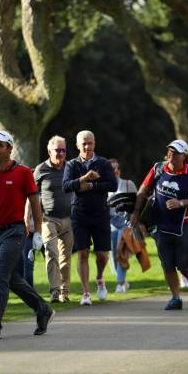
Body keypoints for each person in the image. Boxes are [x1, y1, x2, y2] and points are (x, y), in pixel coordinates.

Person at [0, 131, 54, 339]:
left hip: (16, 232)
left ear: (9, 149)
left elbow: (35, 203)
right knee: (12, 279)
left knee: (1, 277)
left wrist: (37, 232)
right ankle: (42, 309)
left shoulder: (23, 173)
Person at [130, 140, 188, 310]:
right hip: (160, 225)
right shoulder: (158, 168)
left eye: (176, 152)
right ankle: (175, 298)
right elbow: (143, 189)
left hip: (183, 226)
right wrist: (135, 212)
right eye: (170, 151)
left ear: (184, 156)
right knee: (167, 264)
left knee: (183, 262)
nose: (171, 154)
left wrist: (181, 203)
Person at [62, 130, 118, 306]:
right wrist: (83, 179)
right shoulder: (72, 165)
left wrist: (92, 185)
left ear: (95, 144)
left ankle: (100, 278)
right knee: (83, 253)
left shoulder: (103, 163)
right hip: (79, 214)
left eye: (90, 143)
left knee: (102, 255)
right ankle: (86, 293)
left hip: (100, 213)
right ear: (77, 145)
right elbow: (65, 186)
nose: (87, 146)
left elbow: (113, 185)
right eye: (83, 143)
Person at [27, 136, 74, 302]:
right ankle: (55, 291)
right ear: (49, 151)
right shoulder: (41, 170)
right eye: (57, 150)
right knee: (51, 253)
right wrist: (28, 219)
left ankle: (65, 292)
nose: (61, 153)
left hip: (69, 219)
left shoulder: (71, 167)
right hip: (48, 219)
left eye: (63, 150)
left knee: (65, 257)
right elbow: (30, 196)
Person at [108, 158, 138, 293]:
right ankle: (122, 280)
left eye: (117, 168)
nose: (115, 171)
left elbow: (137, 204)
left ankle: (120, 283)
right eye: (112, 169)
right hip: (110, 225)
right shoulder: (103, 188)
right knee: (113, 254)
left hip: (125, 224)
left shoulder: (128, 185)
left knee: (121, 252)